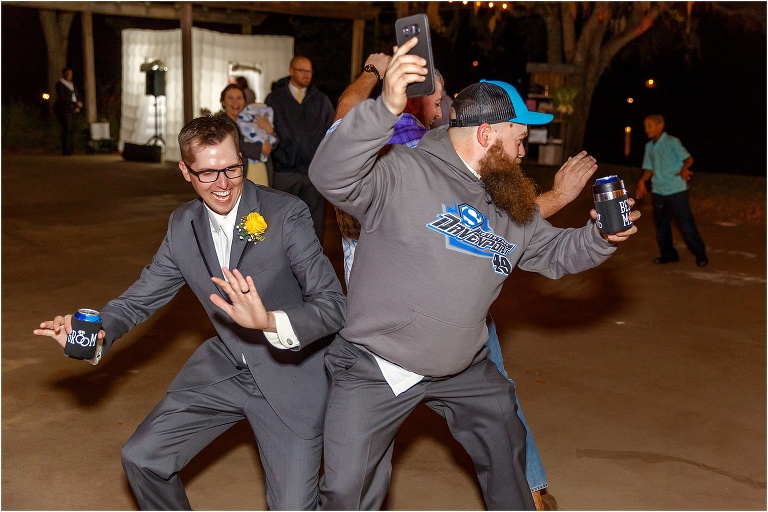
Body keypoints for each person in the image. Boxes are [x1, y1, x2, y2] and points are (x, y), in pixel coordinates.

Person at [308, 38, 639, 510]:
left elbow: (553, 252)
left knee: (508, 454)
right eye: (519, 138)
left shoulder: (511, 202)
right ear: (485, 135)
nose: (524, 150)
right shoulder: (403, 170)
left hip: (463, 367)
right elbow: (330, 174)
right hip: (376, 366)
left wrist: (599, 239)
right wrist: (385, 106)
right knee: (346, 492)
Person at [33, 115, 346, 510]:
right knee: (143, 458)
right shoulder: (183, 225)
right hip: (227, 368)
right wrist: (95, 332)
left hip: (290, 376)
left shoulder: (286, 214)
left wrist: (268, 321)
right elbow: (139, 299)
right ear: (185, 170)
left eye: (232, 168)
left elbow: (333, 305)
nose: (223, 184)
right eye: (208, 173)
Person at [266, 55, 335, 243]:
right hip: (285, 172)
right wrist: (280, 152)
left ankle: (312, 266)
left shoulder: (321, 100)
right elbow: (267, 132)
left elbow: (332, 132)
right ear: (291, 71)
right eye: (302, 71)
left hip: (312, 173)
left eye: (309, 71)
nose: (307, 75)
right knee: (282, 219)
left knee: (314, 223)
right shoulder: (275, 99)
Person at [636, 114, 707, 267]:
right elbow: (649, 167)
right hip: (659, 191)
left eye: (650, 125)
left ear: (660, 125)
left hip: (676, 189)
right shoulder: (649, 147)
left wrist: (684, 169)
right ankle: (668, 254)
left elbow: (688, 159)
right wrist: (642, 180)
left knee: (686, 223)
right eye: (645, 126)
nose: (646, 129)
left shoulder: (672, 142)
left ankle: (700, 252)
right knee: (661, 225)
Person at [219, 83, 275, 187]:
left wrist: (270, 131)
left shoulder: (252, 118)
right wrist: (259, 148)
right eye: (230, 98)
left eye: (239, 98)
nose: (235, 102)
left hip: (261, 170)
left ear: (245, 101)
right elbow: (231, 146)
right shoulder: (220, 124)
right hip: (238, 174)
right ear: (223, 102)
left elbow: (274, 144)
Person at [54, 67, 83, 156]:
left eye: (70, 74)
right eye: (67, 74)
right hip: (64, 109)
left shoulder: (72, 85)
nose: (69, 75)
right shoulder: (60, 84)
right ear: (63, 74)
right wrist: (74, 103)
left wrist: (79, 104)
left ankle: (71, 149)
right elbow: (62, 98)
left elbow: (77, 95)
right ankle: (66, 150)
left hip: (72, 109)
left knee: (71, 129)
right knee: (66, 129)